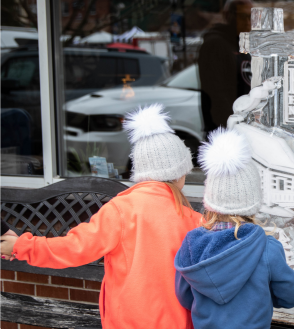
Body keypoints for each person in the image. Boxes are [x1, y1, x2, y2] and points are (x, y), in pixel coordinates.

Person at [0, 104, 201, 329]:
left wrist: (22, 246)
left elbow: (74, 248)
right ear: (180, 174)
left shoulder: (120, 210)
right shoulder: (194, 221)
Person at [174, 128, 294, 328]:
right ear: (252, 201)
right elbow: (292, 297)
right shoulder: (266, 247)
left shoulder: (191, 245)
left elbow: (185, 298)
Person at [198, 0, 253, 134]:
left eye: (251, 17)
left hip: (245, 126)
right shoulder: (215, 45)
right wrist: (232, 127)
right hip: (226, 131)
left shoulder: (241, 45)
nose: (248, 22)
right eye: (243, 16)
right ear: (228, 16)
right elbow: (217, 95)